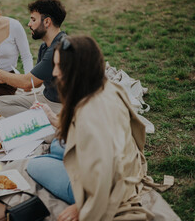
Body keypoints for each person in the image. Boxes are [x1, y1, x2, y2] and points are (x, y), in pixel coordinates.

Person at [29, 36, 155, 221]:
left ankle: (70, 180)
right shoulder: (103, 86)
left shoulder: (92, 116)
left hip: (107, 186)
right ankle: (62, 163)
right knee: (57, 145)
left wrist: (82, 206)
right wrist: (50, 115)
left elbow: (106, 173)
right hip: (122, 163)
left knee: (34, 164)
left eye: (59, 66)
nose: (55, 72)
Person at [0, 0, 66, 117]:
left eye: (33, 20)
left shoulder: (57, 48)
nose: (29, 24)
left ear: (47, 22)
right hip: (46, 98)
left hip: (60, 105)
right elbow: (37, 83)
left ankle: (46, 122)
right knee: (1, 103)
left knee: (5, 105)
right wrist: (5, 78)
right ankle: (39, 118)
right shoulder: (45, 46)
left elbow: (27, 83)